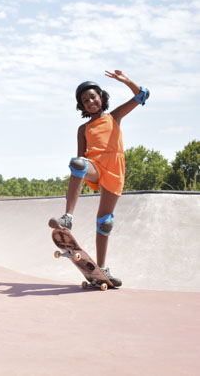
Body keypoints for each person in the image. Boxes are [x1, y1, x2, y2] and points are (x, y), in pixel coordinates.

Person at [48, 70, 150, 287]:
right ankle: (68, 217)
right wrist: (78, 180)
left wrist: (126, 81)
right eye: (85, 101)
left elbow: (143, 95)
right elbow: (80, 160)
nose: (90, 102)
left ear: (101, 97)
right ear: (82, 106)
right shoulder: (83, 129)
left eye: (93, 97)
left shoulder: (115, 116)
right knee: (77, 163)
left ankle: (101, 269)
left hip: (115, 169)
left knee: (105, 223)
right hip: (94, 166)